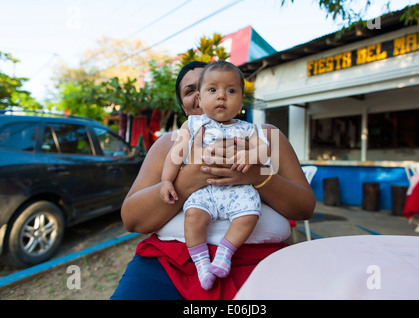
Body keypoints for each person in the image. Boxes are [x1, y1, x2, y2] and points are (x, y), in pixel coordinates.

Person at [111, 61, 316, 300]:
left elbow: (305, 207)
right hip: (170, 263)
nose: (215, 95)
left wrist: (255, 175)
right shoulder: (168, 143)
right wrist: (191, 175)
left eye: (227, 88)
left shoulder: (265, 135)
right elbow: (132, 220)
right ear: (185, 105)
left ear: (239, 97)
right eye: (192, 90)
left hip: (262, 263)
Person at [160, 60, 270, 290]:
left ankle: (225, 253)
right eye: (213, 90)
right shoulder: (192, 124)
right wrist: (166, 180)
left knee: (250, 213)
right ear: (200, 98)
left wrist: (251, 156)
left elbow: (264, 150)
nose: (222, 96)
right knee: (192, 218)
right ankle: (202, 264)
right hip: (205, 191)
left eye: (231, 91)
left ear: (241, 100)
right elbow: (176, 154)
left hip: (237, 190)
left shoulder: (249, 129)